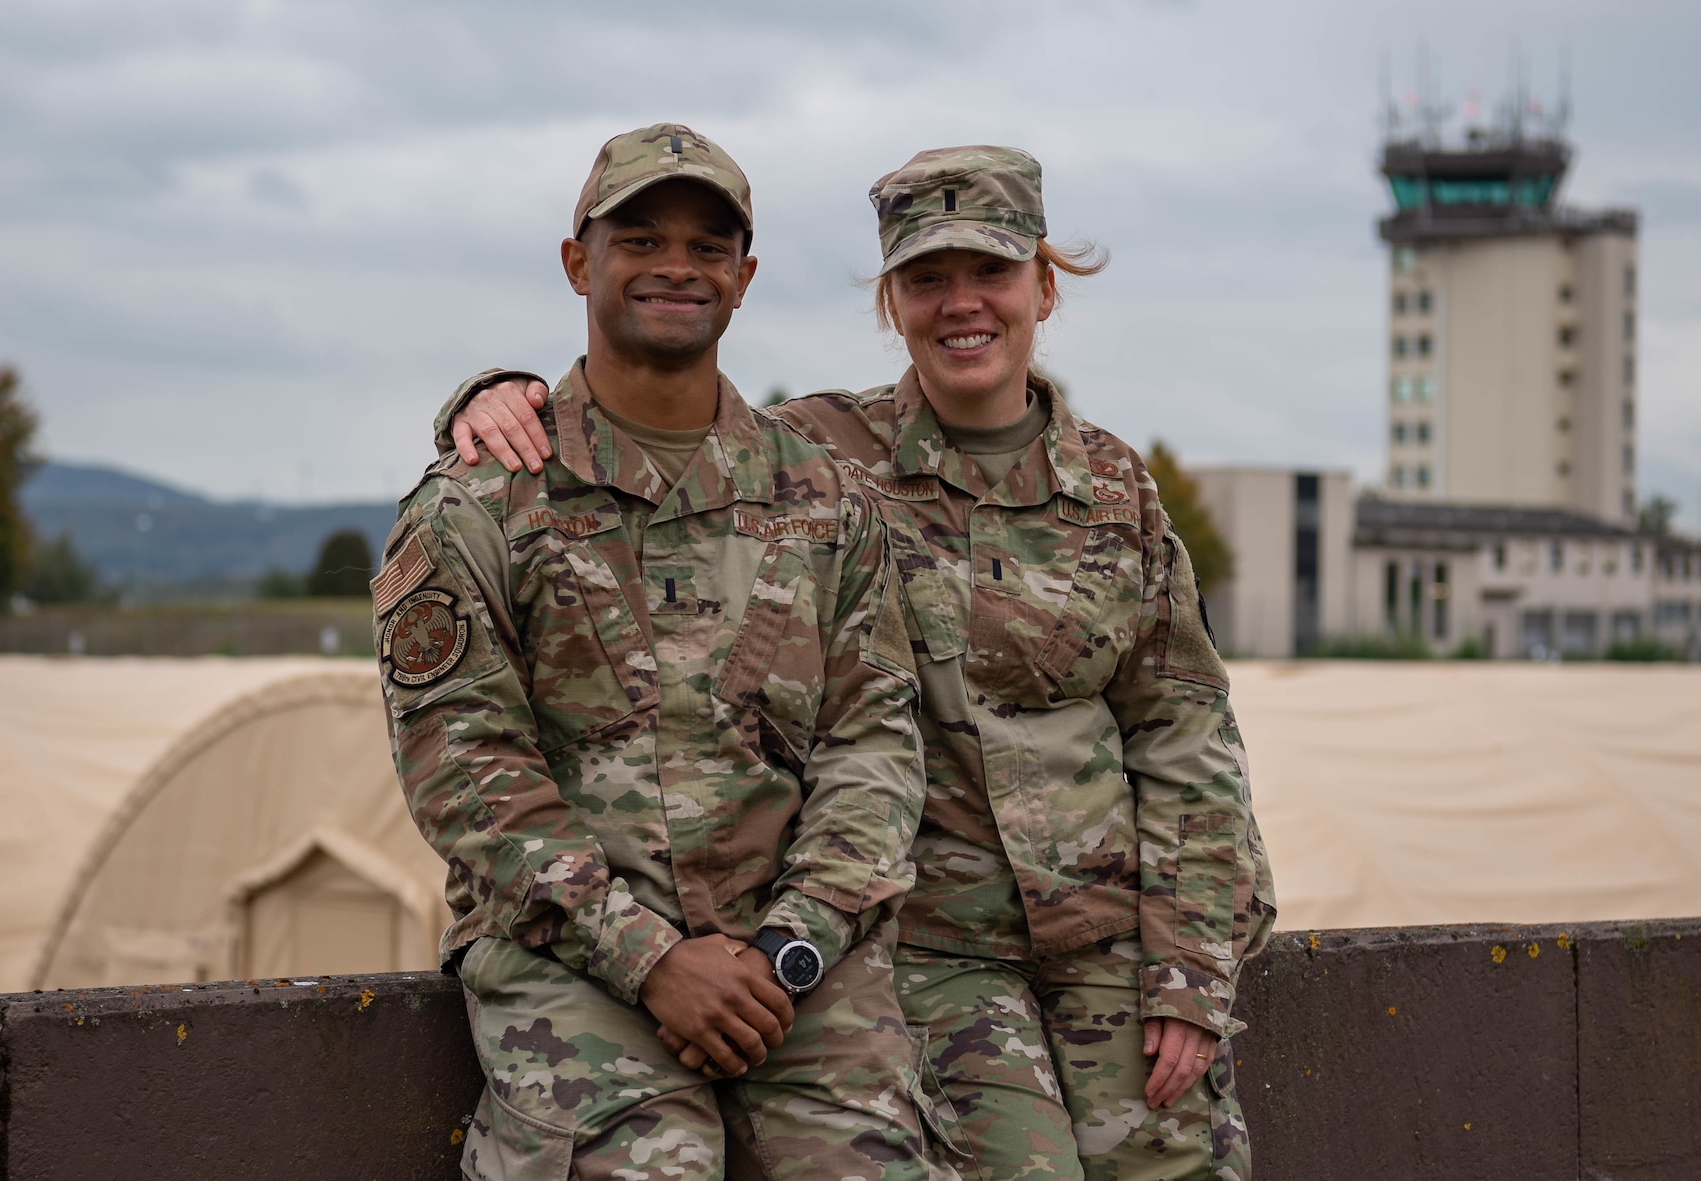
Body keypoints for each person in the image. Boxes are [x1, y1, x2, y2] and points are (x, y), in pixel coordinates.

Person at [438, 145, 1276, 1181]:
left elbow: (1186, 732)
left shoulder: (1114, 492)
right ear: (891, 302)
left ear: (1043, 286)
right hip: (937, 948)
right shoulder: (821, 463)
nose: (959, 305)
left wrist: (1191, 968)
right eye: (925, 279)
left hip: (1116, 939)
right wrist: (492, 397)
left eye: (991, 273)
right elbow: (651, 418)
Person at [376, 123, 958, 1181]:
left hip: (796, 964)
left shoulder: (823, 500)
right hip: (572, 959)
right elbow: (467, 771)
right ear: (577, 263)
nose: (674, 267)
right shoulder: (479, 503)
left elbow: (873, 747)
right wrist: (647, 956)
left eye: (704, 245)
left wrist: (794, 942)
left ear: (741, 276)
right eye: (638, 238)